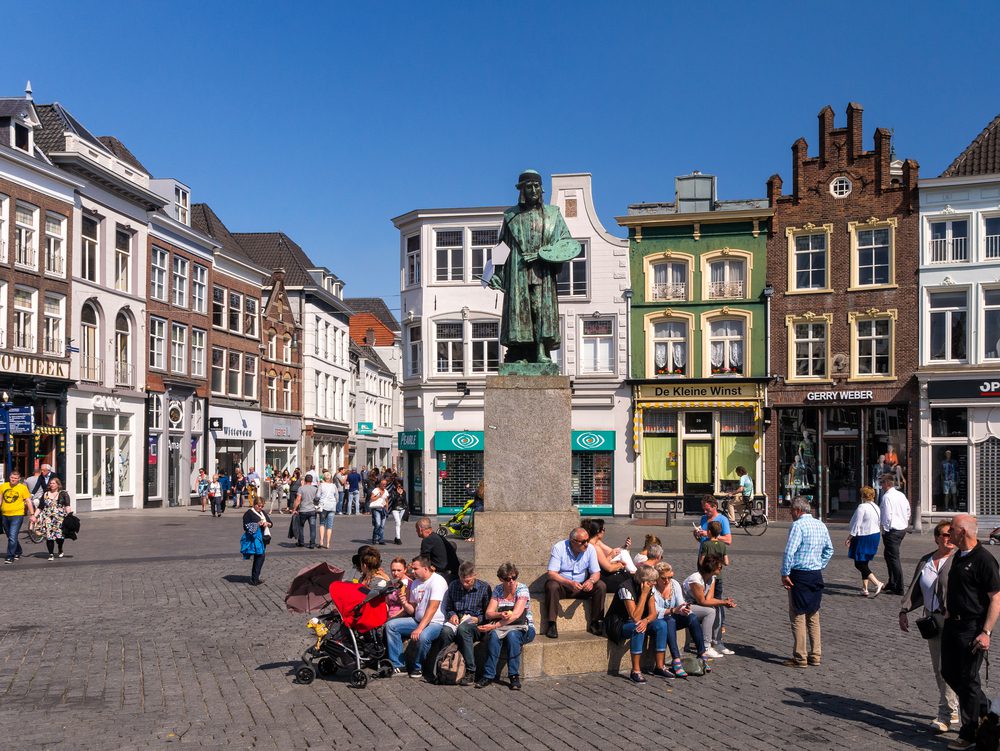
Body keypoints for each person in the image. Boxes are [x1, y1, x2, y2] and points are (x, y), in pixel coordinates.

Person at [486, 169, 580, 365]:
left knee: (539, 309)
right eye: (529, 186)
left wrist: (543, 256)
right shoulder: (510, 216)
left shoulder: (553, 215)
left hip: (542, 271)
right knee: (520, 311)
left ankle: (540, 351)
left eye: (537, 186)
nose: (534, 190)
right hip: (517, 272)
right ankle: (519, 353)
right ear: (521, 190)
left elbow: (566, 243)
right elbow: (502, 245)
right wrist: (495, 273)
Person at [940, 514, 1000, 750]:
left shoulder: (984, 560)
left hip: (973, 628)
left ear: (962, 532)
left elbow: (995, 598)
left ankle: (969, 732)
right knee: (949, 672)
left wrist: (986, 632)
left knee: (968, 678)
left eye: (951, 530)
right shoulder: (958, 556)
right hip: (952, 625)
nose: (948, 534)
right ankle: (987, 710)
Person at [898, 519, 959, 734]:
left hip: (954, 621)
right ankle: (953, 708)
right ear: (935, 538)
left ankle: (946, 713)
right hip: (932, 620)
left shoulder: (959, 560)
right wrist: (904, 610)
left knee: (950, 668)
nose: (948, 538)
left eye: (951, 534)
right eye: (944, 534)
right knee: (939, 669)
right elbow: (915, 589)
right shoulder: (926, 561)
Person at [780, 496, 834, 668]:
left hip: (800, 574)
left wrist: (785, 573)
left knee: (798, 615)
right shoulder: (821, 524)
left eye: (791, 511)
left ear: (798, 510)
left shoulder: (798, 526)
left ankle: (800, 656)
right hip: (815, 574)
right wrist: (820, 564)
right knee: (814, 615)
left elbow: (790, 552)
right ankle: (816, 654)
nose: (791, 514)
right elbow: (829, 549)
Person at [385, 555, 447, 678]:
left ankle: (418, 667)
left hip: (435, 622)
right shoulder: (416, 583)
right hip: (418, 620)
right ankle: (399, 665)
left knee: (423, 637)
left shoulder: (437, 581)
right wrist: (405, 603)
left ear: (426, 568)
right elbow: (412, 609)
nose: (412, 571)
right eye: (412, 568)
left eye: (415, 569)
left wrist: (419, 628)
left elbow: (432, 608)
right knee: (391, 626)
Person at [476, 562, 534, 691]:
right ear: (501, 579)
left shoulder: (522, 589)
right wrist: (500, 614)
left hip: (523, 626)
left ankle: (514, 676)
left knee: (512, 636)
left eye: (514, 577)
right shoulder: (498, 589)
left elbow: (516, 615)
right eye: (508, 579)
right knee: (493, 637)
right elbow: (489, 613)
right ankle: (488, 675)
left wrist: (494, 625)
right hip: (503, 626)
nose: (512, 581)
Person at [606, 564, 669, 683]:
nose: (655, 583)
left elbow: (653, 614)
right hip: (619, 623)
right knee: (638, 628)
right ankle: (635, 670)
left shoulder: (650, 588)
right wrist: (644, 594)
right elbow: (635, 617)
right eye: (652, 581)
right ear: (643, 581)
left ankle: (660, 667)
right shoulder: (625, 588)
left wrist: (646, 621)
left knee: (662, 625)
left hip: (638, 620)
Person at [435, 561, 492, 686]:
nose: (465, 584)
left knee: (464, 629)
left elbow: (488, 613)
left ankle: (471, 671)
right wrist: (452, 615)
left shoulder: (484, 588)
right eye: (462, 580)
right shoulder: (454, 585)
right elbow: (449, 607)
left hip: (475, 623)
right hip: (457, 620)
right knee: (445, 632)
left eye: (468, 581)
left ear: (475, 575)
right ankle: (443, 667)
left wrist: (478, 619)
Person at [544, 527, 607, 639]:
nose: (586, 544)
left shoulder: (590, 549)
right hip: (563, 585)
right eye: (583, 542)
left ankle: (596, 621)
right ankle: (551, 624)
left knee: (601, 586)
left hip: (582, 585)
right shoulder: (559, 548)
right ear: (572, 541)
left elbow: (596, 572)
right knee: (551, 585)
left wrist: (591, 581)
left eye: (587, 540)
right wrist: (569, 583)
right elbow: (551, 573)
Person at [652, 561, 704, 676]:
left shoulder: (674, 584)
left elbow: (680, 603)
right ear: (657, 577)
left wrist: (684, 609)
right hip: (658, 619)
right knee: (670, 621)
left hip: (672, 616)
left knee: (692, 617)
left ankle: (702, 655)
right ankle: (676, 660)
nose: (667, 581)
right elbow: (655, 611)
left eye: (670, 577)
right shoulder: (653, 588)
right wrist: (673, 610)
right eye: (664, 578)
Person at [683, 553, 735, 658]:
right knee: (710, 611)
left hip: (695, 604)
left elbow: (709, 599)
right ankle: (706, 646)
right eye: (719, 567)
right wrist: (723, 602)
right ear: (712, 567)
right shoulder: (696, 579)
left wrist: (724, 602)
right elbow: (702, 601)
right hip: (684, 606)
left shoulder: (712, 578)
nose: (721, 569)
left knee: (715, 607)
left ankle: (716, 642)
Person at [698, 520, 734, 653]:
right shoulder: (722, 545)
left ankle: (704, 635)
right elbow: (726, 562)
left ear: (708, 532)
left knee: (705, 602)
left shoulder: (705, 544)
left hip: (707, 578)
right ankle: (716, 637)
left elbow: (702, 561)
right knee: (717, 603)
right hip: (718, 578)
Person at [846, 485, 885, 597]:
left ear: (863, 495)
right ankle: (865, 588)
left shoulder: (862, 507)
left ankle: (877, 583)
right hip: (874, 535)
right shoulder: (876, 507)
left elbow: (857, 524)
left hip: (864, 536)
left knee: (859, 563)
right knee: (864, 561)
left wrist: (850, 537)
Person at [880, 472, 911, 595]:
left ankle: (899, 587)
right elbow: (908, 510)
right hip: (901, 529)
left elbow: (887, 515)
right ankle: (892, 582)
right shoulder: (900, 495)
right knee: (889, 556)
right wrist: (905, 522)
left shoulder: (887, 497)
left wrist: (885, 529)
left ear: (887, 484)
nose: (880, 485)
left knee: (893, 558)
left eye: (882, 483)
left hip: (892, 530)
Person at [583, 518, 635, 591]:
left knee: (623, 552)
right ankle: (635, 573)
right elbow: (609, 568)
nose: (604, 531)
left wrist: (624, 547)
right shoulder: (595, 547)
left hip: (600, 574)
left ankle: (634, 572)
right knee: (631, 580)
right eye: (603, 529)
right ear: (598, 531)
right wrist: (620, 565)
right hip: (599, 577)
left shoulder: (596, 543)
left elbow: (613, 552)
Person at [0, 470, 35, 564]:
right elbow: (0, 499)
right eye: (12, 478)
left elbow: (28, 501)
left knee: (12, 536)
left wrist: (32, 514)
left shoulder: (23, 488)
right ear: (9, 477)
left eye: (15, 478)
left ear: (19, 479)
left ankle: (9, 556)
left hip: (17, 515)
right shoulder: (3, 486)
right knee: (10, 536)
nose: (13, 480)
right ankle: (18, 551)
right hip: (4, 515)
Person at [36, 477, 71, 561]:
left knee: (59, 537)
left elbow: (67, 506)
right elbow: (40, 507)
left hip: (59, 519)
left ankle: (60, 548)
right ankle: (51, 554)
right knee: (49, 537)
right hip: (48, 518)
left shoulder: (63, 494)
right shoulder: (45, 494)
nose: (51, 485)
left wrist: (70, 516)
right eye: (50, 483)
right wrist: (34, 515)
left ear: (58, 485)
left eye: (53, 483)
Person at [241, 496, 272, 586]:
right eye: (259, 506)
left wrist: (268, 524)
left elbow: (271, 523)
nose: (260, 508)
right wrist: (257, 524)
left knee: (260, 557)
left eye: (262, 506)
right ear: (254, 504)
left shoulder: (262, 513)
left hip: (263, 538)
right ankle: (255, 579)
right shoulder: (249, 514)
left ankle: (255, 577)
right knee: (260, 556)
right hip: (254, 538)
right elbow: (245, 527)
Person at [292, 474, 319, 549]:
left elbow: (298, 500)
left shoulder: (301, 488)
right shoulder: (315, 489)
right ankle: (312, 543)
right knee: (312, 527)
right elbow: (317, 500)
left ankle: (301, 542)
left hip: (303, 510)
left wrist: (294, 509)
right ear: (312, 480)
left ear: (305, 480)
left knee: (301, 526)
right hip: (312, 510)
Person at [316, 471, 338, 549]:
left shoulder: (321, 485)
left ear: (324, 478)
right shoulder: (334, 486)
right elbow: (337, 497)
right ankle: (328, 543)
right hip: (332, 506)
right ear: (330, 478)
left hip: (323, 506)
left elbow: (318, 496)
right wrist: (334, 503)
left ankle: (321, 540)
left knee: (322, 523)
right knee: (330, 525)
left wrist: (317, 500)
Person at [368, 478, 389, 545]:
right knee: (378, 524)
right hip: (376, 508)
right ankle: (374, 538)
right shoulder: (376, 490)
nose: (384, 485)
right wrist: (378, 496)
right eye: (383, 484)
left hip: (383, 509)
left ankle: (381, 540)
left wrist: (387, 509)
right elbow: (371, 498)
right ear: (380, 484)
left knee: (382, 525)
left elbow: (386, 501)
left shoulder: (386, 491)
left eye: (385, 484)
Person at [389, 479, 407, 546]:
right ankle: (398, 539)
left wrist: (408, 509)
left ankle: (396, 538)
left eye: (400, 486)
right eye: (398, 486)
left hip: (402, 509)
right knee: (398, 522)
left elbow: (405, 501)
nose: (399, 488)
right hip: (395, 508)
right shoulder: (393, 491)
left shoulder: (404, 492)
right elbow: (393, 500)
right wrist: (398, 494)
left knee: (399, 524)